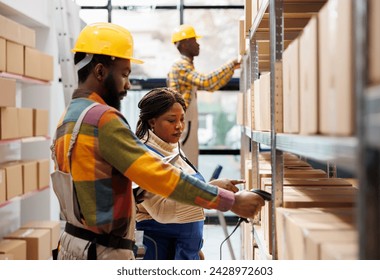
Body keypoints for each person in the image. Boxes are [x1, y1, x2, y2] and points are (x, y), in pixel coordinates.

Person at [50, 22, 264, 260]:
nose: (129, 84)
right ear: (100, 72)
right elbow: (158, 176)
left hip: (73, 244)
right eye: (124, 74)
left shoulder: (69, 118)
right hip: (101, 251)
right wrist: (229, 201)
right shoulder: (102, 119)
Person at [134, 87, 242, 260]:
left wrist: (195, 247)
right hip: (161, 251)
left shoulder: (172, 147)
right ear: (152, 122)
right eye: (171, 120)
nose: (179, 126)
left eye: (182, 119)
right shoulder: (144, 156)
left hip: (185, 249)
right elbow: (163, 211)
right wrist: (210, 190)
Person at [167, 24, 241, 168]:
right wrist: (231, 64)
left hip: (187, 123)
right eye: (194, 40)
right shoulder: (180, 66)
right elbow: (206, 81)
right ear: (184, 44)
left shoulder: (187, 67)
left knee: (189, 166)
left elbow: (211, 86)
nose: (198, 44)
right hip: (184, 124)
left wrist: (232, 68)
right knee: (186, 167)